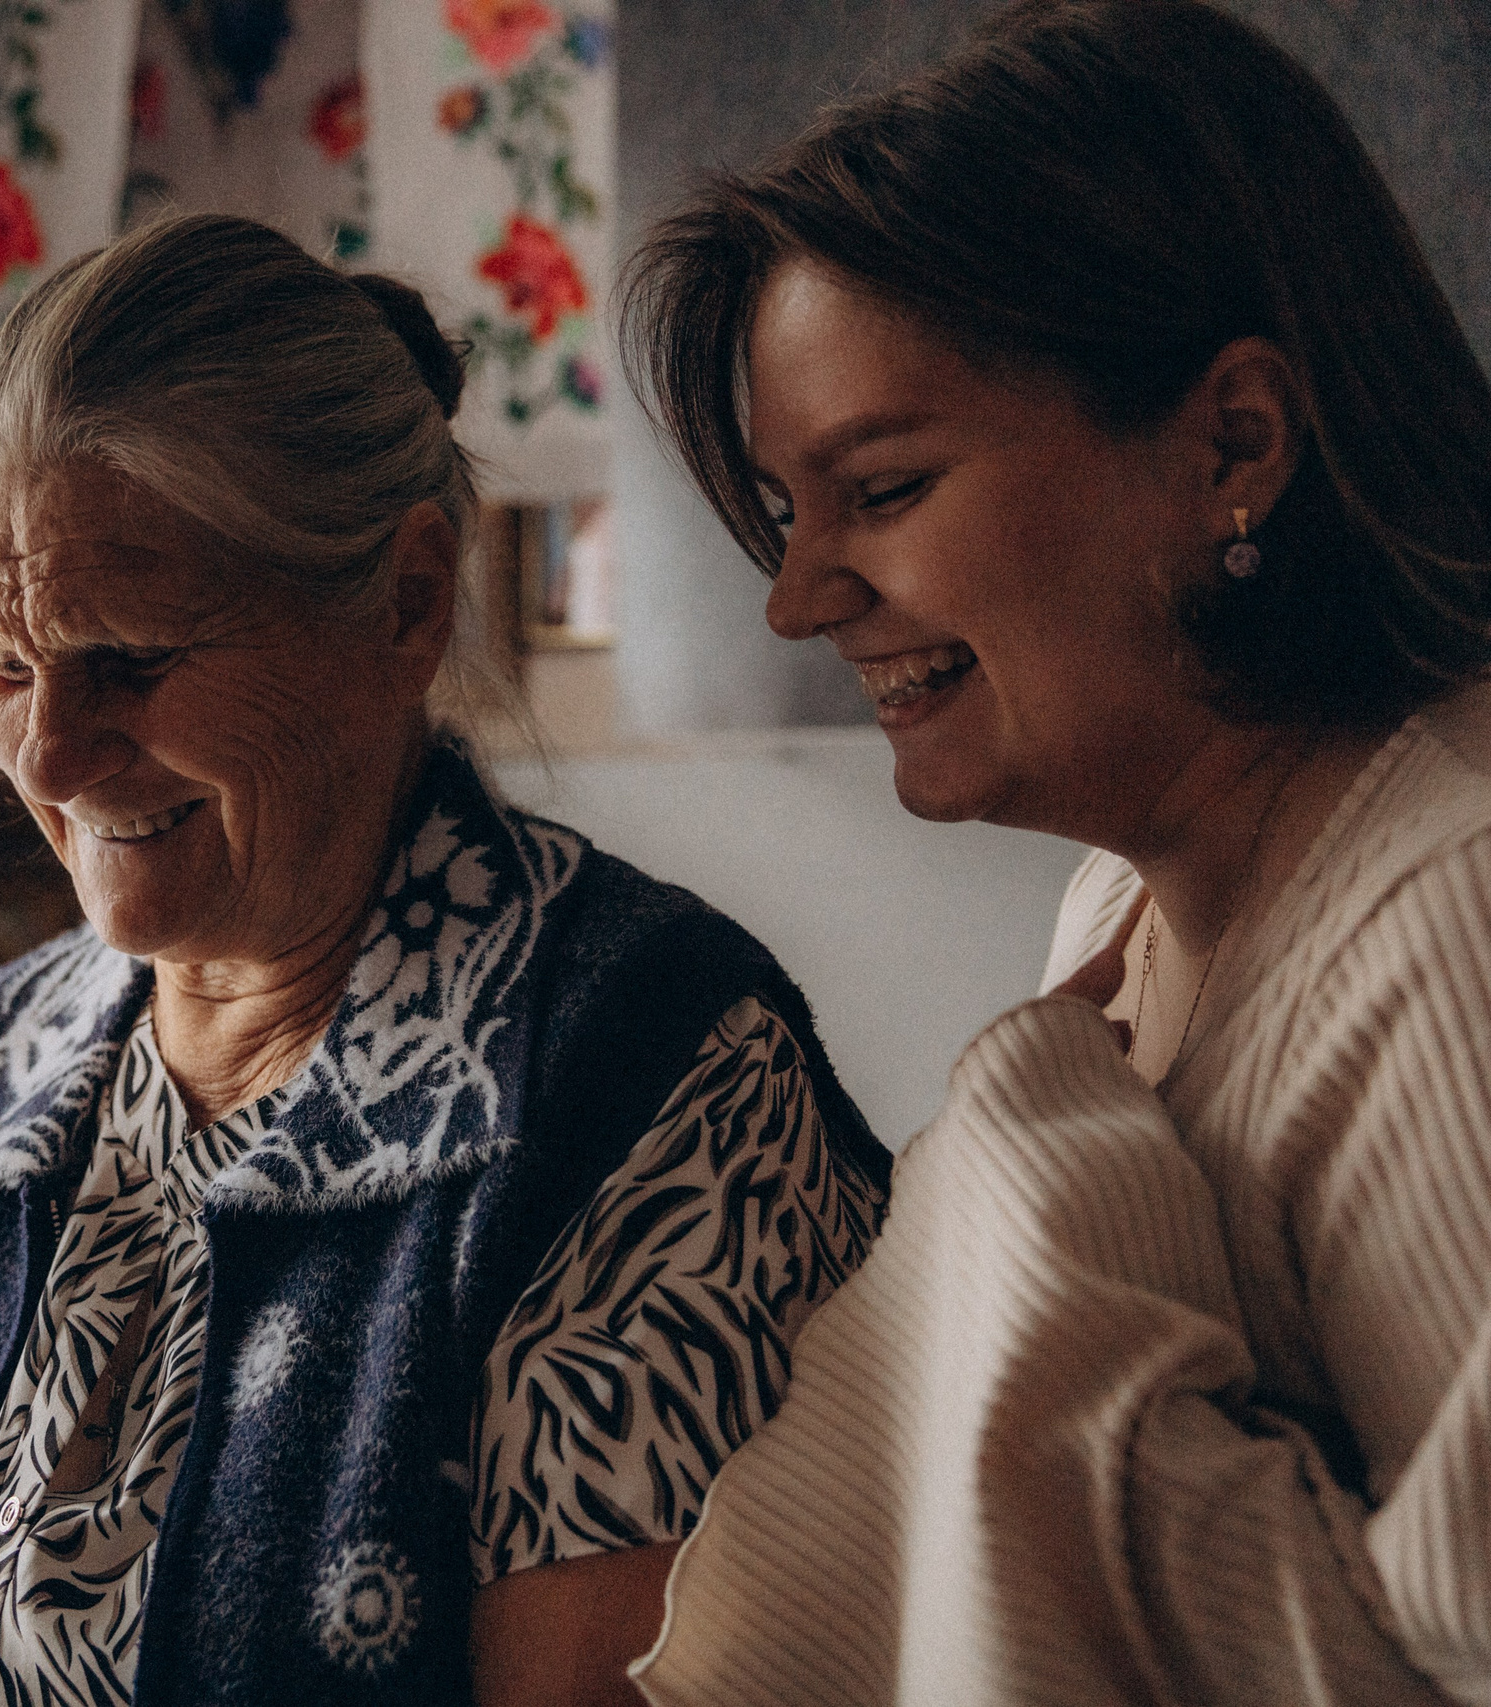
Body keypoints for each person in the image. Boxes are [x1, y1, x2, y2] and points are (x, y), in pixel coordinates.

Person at [0, 213, 892, 1707]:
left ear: (407, 602)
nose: (47, 757)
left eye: (132, 660)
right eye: (4, 665)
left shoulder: (653, 1084)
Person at [616, 1, 1491, 1701]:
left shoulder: (1448, 933)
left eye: (883, 490)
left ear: (1234, 445)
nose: (797, 600)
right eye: (788, 514)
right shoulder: (1125, 906)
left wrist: (1026, 1173)